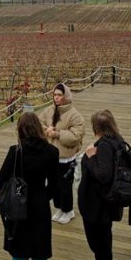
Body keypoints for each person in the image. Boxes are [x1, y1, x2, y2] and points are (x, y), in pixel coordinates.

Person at [0, 112, 60, 260]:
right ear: (39, 129)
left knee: (19, 254)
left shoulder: (16, 151)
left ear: (20, 130)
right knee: (40, 254)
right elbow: (56, 185)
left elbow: (0, 180)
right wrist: (42, 196)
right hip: (40, 207)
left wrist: (15, 196)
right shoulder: (51, 152)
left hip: (18, 210)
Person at [77, 109, 124, 260]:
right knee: (101, 240)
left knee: (100, 242)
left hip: (98, 206)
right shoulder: (117, 140)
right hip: (105, 204)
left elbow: (103, 175)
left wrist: (90, 157)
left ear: (97, 127)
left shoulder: (104, 146)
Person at [38, 83, 85, 224]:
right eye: (55, 95)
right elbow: (38, 124)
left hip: (66, 158)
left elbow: (76, 136)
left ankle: (68, 210)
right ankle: (59, 207)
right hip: (51, 156)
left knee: (65, 186)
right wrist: (47, 130)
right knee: (54, 185)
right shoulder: (48, 111)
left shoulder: (75, 115)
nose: (56, 98)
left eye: (59, 95)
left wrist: (57, 134)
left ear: (66, 96)